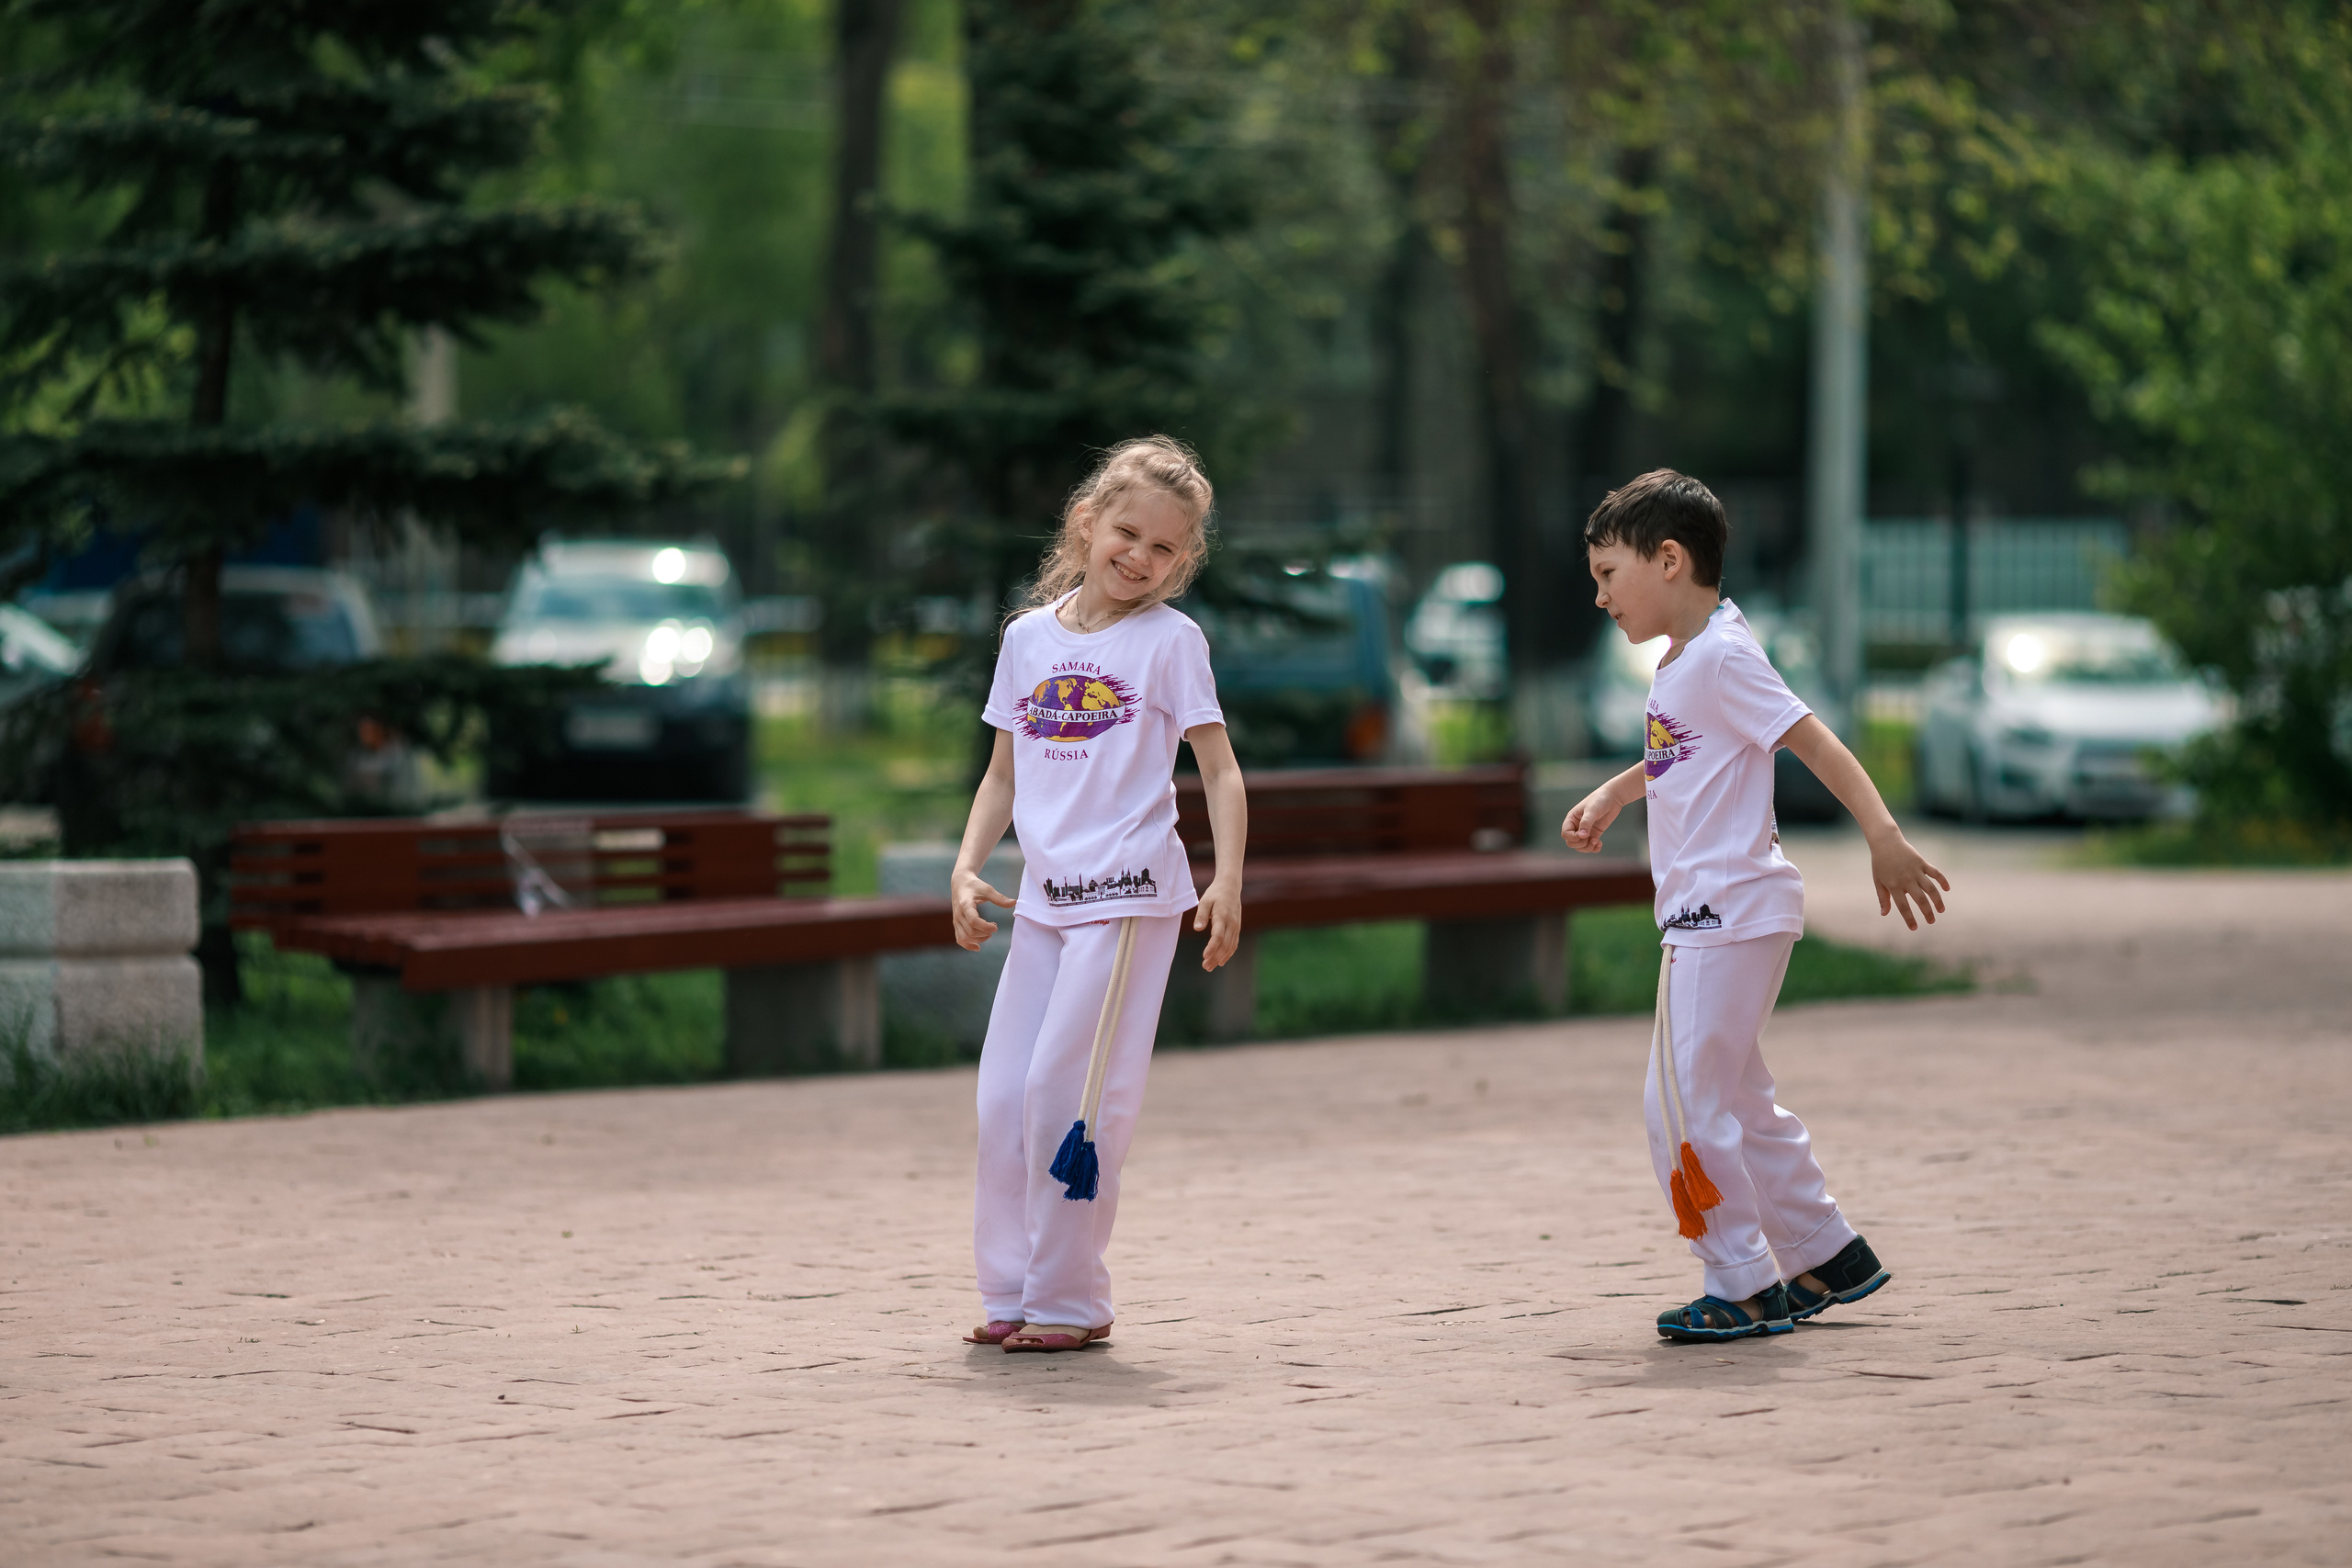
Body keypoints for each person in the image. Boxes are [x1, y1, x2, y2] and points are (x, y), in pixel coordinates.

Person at [1559, 469, 1951, 1344]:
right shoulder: (1692, 658)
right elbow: (1686, 753)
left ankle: (1739, 1282)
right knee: (1735, 1095)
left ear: (1668, 560)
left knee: (1678, 1107)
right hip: (1734, 913)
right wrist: (1619, 791)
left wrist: (1883, 835)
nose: (1600, 596)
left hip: (1719, 915)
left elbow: (1812, 739)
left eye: (1608, 574)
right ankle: (1825, 1251)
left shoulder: (1724, 656)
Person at [949, 435, 1247, 1353]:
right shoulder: (1026, 638)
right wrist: (966, 865)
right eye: (1127, 533)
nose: (1140, 558)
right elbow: (1003, 774)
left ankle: (1070, 1299)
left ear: (1182, 560)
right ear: (1086, 523)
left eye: (1164, 548)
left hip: (1125, 899)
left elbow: (1219, 770)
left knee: (1067, 1096)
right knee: (1003, 1099)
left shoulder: (1170, 642)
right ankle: (1012, 1289)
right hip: (1044, 904)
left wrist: (1228, 880)